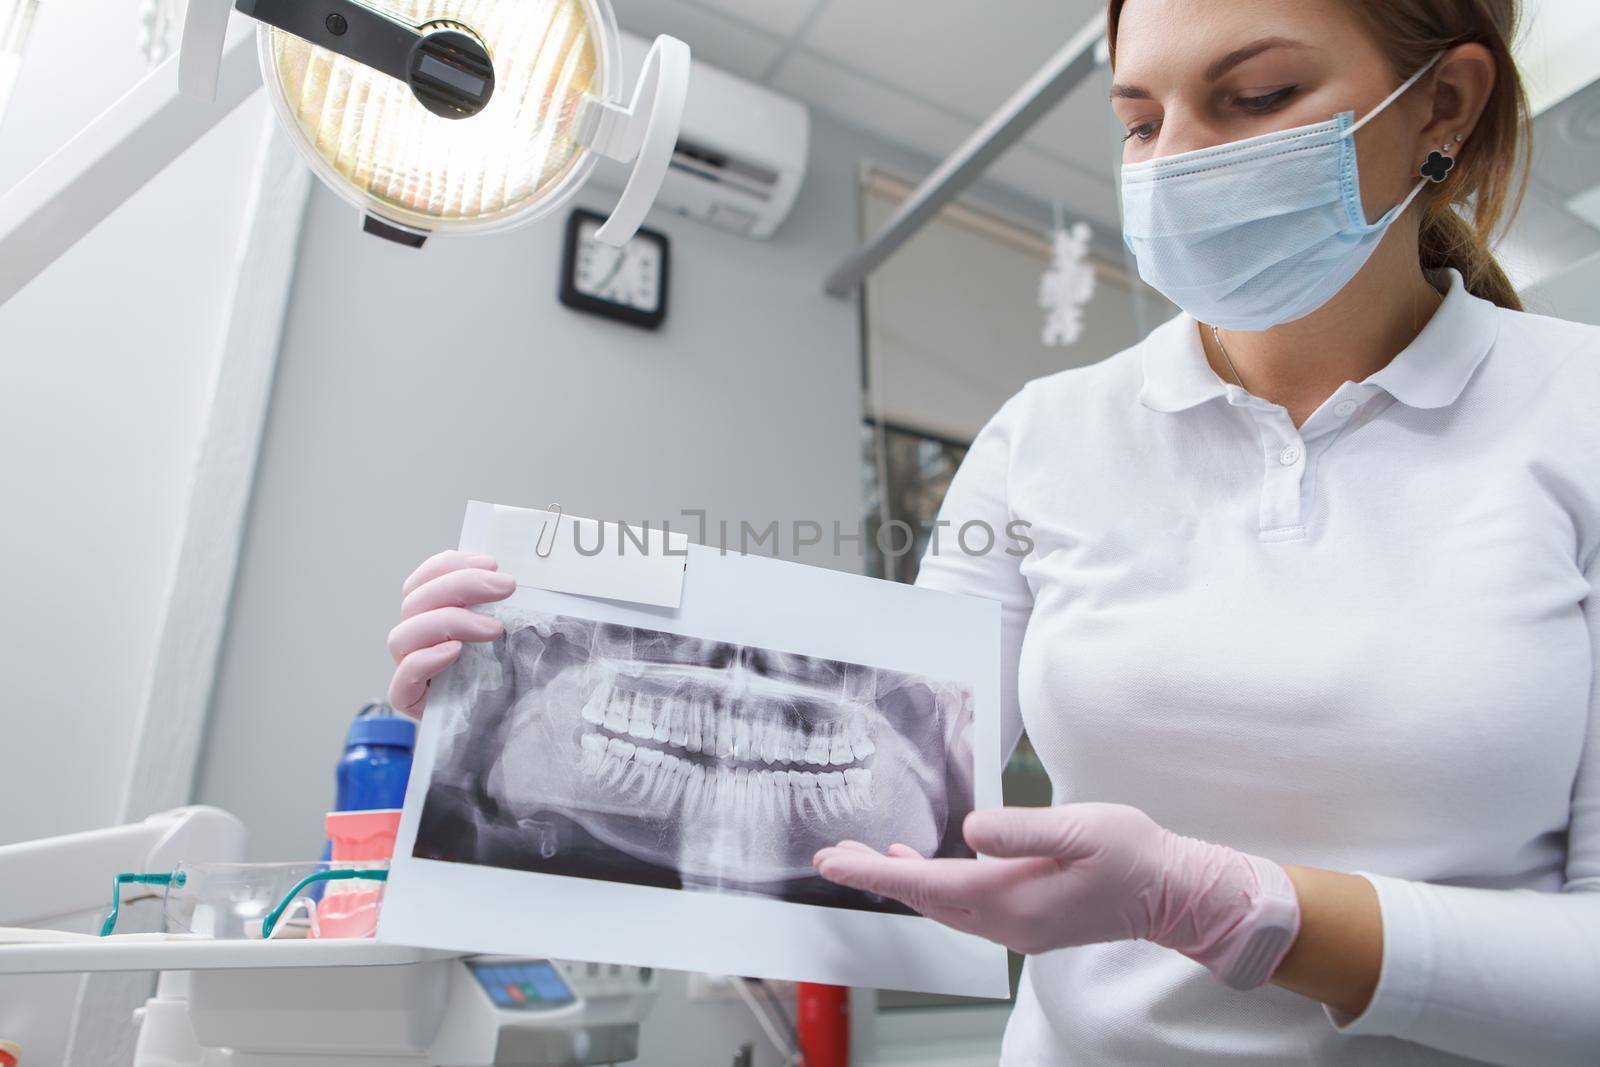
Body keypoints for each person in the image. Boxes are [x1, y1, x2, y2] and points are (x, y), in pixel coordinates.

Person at [385, 0, 1600, 1062]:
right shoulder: (1047, 434)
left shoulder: (1577, 411)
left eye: (1255, 95)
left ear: (1442, 99)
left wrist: (1245, 909)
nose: (1173, 161)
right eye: (1137, 119)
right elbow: (880, 786)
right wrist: (506, 686)